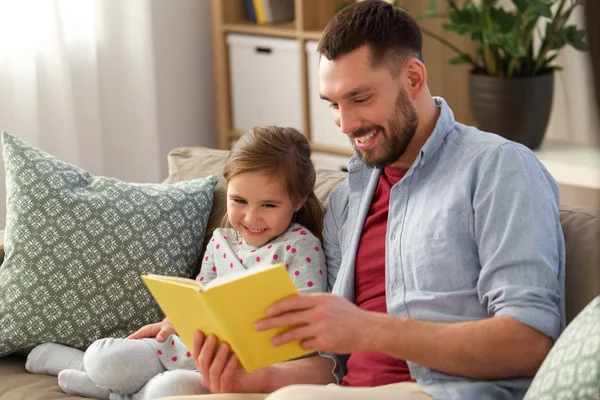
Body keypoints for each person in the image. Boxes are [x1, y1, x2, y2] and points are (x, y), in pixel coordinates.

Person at [190, 1, 565, 399]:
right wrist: (253, 382)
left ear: (414, 78)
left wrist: (369, 328)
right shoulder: (348, 199)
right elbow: (335, 361)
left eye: (360, 98)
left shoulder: (497, 168)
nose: (346, 125)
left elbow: (530, 344)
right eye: (334, 104)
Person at [24, 126, 328, 400]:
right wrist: (173, 321)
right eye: (239, 201)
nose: (250, 218)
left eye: (269, 205)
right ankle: (96, 372)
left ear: (298, 200)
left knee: (169, 391)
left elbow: (309, 330)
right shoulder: (221, 240)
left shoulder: (300, 247)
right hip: (181, 347)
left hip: (227, 370)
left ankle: (113, 392)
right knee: (105, 357)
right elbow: (199, 297)